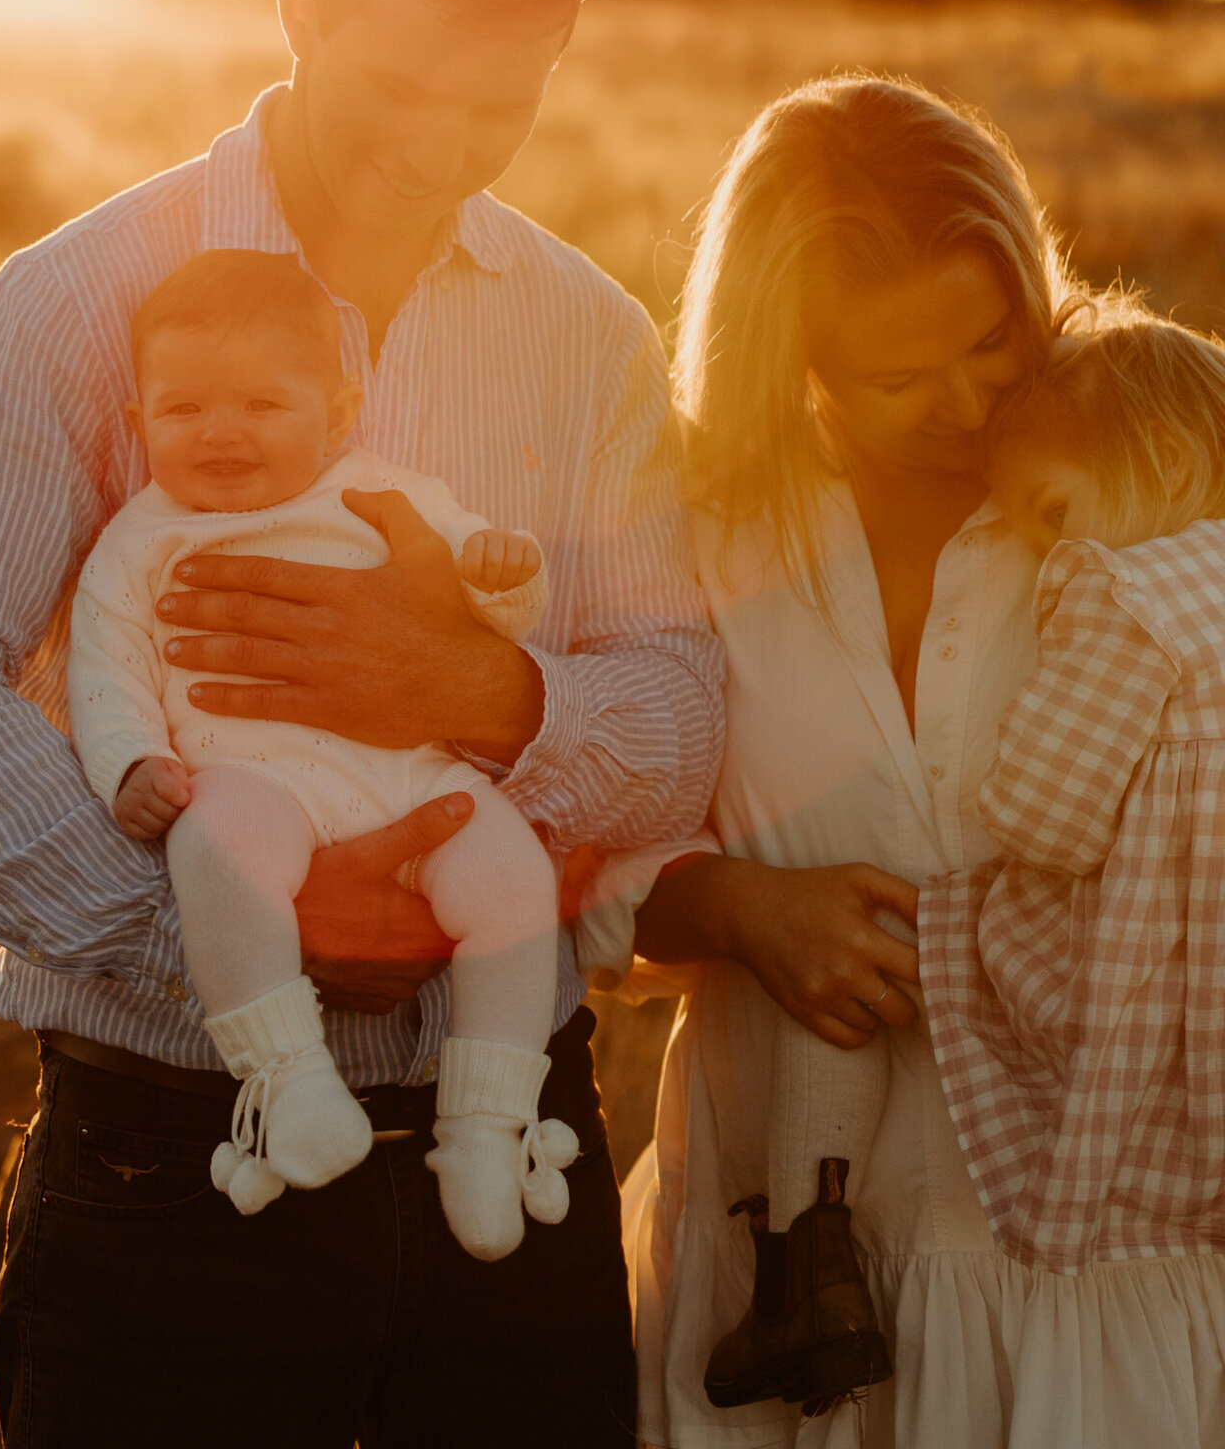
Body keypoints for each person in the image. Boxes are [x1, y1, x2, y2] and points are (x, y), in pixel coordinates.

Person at [0, 0, 722, 1449]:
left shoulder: (589, 338)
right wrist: (226, 927)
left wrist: (487, 690)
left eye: (500, 104)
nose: (437, 150)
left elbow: (680, 702)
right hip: (177, 1171)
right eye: (401, 87)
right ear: (298, 3)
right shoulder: (83, 297)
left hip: (513, 1165)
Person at [603, 76, 1225, 1448]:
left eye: (993, 341)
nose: (964, 404)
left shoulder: (1145, 479)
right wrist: (743, 913)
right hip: (782, 1247)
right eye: (897, 375)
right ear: (790, 362)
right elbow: (573, 875)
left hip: (1083, 1255)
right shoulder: (694, 531)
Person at [69, 245, 577, 1260]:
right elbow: (104, 669)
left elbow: (486, 596)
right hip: (250, 779)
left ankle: (486, 1126)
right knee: (216, 848)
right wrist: (129, 765)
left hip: (414, 776)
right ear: (138, 425)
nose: (220, 433)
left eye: (262, 405)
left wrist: (501, 572)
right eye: (182, 410)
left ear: (338, 414)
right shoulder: (141, 539)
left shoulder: (383, 495)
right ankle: (287, 1077)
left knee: (515, 882)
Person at [920, 314, 1225, 1274]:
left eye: (1051, 514)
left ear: (1170, 468)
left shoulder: (1125, 593)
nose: (1045, 553)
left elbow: (1049, 818)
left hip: (1169, 974)